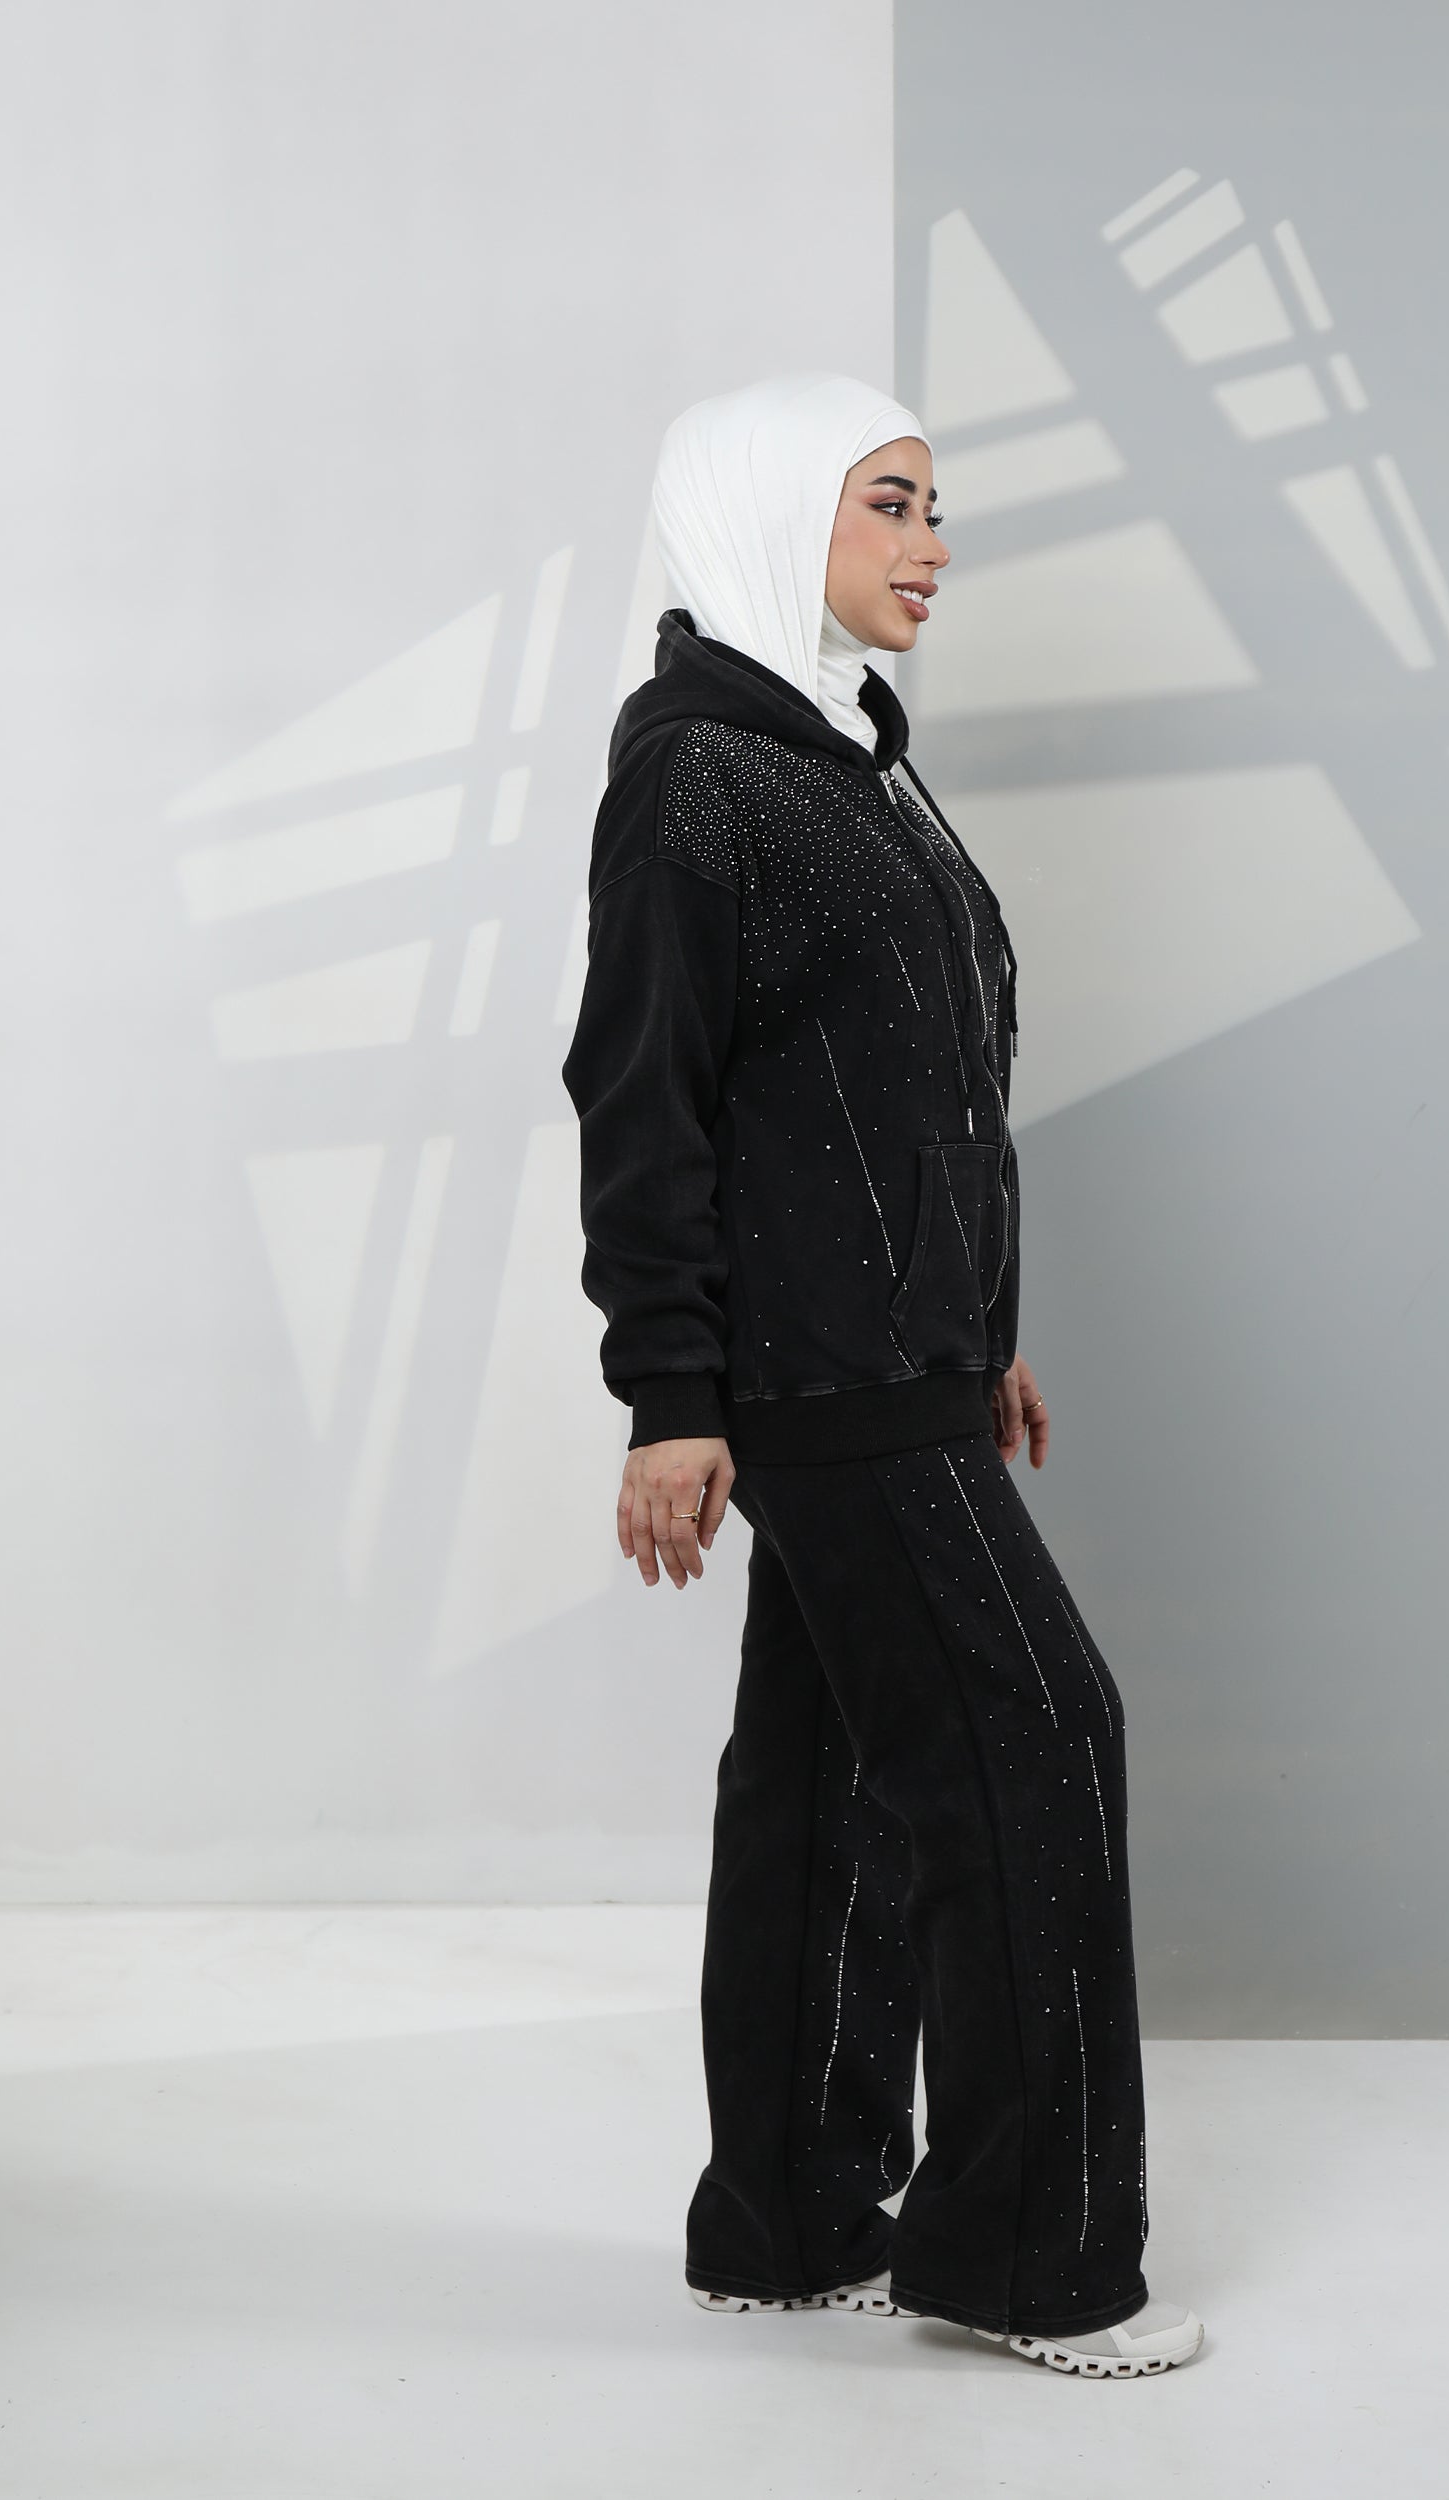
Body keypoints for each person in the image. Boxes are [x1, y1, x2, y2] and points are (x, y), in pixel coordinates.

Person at [560, 371, 1204, 2379]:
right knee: (1038, 1737)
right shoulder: (701, 777)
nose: (934, 543)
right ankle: (1026, 2260)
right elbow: (640, 1097)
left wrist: (980, 1328)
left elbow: (921, 1085)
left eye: (937, 505)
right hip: (811, 1373)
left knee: (831, 1783)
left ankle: (789, 2218)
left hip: (897, 1361)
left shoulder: (843, 758)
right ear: (773, 516)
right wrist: (670, 1393)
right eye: (892, 502)